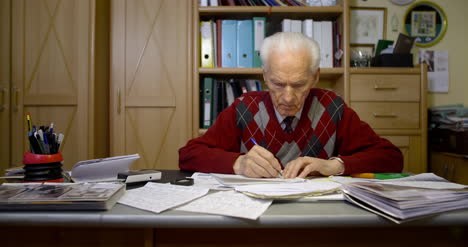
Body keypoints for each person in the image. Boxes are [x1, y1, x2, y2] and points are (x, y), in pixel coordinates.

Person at [179, 32, 403, 178]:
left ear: (315, 77)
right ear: (264, 76)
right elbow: (188, 155)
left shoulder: (332, 108)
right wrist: (238, 163)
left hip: (319, 221)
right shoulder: (243, 109)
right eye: (277, 83)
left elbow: (392, 157)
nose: (287, 97)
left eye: (298, 84)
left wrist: (335, 165)